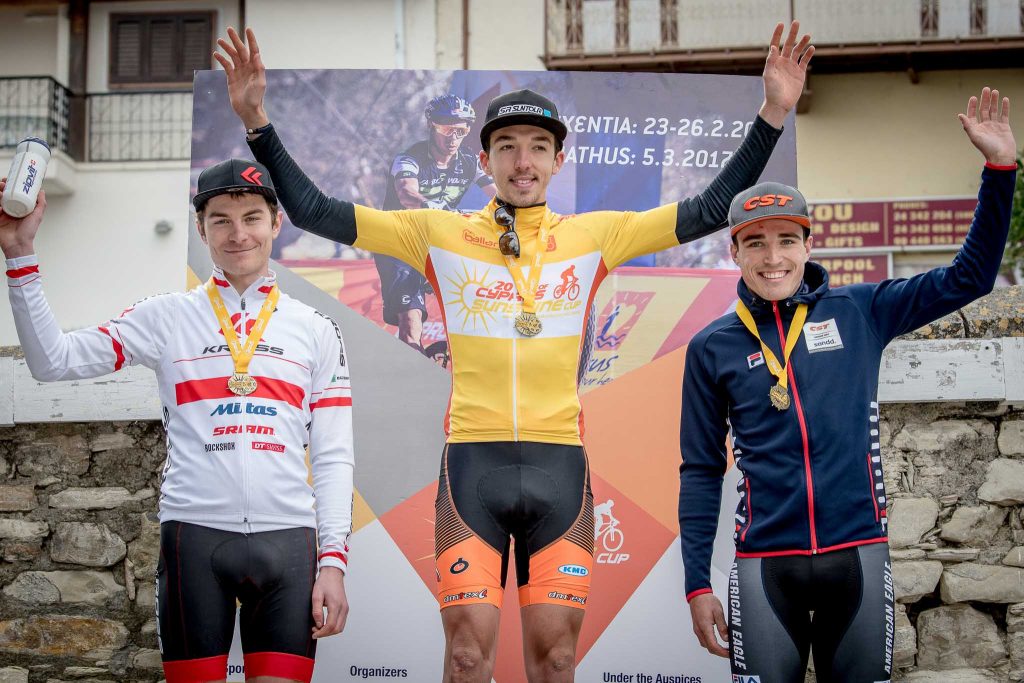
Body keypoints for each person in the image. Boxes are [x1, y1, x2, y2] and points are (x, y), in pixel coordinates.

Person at [214, 21, 812, 682]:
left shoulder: (598, 235)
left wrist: (773, 112)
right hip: (473, 464)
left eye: (537, 147)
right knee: (467, 655)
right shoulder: (436, 232)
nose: (522, 161)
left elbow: (710, 208)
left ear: (559, 160)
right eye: (506, 146)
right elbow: (314, 210)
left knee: (556, 660)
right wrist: (256, 120)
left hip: (561, 467)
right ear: (484, 161)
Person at [679, 88, 1016, 682]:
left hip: (858, 555)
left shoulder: (862, 310)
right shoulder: (712, 346)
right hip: (764, 565)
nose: (773, 257)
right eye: (755, 242)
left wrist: (999, 170)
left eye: (787, 240)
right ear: (734, 252)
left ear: (809, 244)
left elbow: (971, 278)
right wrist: (696, 584)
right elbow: (702, 469)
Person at [1, 158, 356, 683]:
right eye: (221, 220)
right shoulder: (164, 316)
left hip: (290, 544)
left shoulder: (317, 329)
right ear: (201, 229)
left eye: (252, 218)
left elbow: (333, 456)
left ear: (276, 223)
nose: (238, 234)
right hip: (194, 538)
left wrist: (333, 564)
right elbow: (53, 361)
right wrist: (20, 253)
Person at [375, 93, 496, 355]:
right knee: (411, 323)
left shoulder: (470, 162)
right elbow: (407, 193)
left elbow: (499, 194)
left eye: (461, 131)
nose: (453, 138)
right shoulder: (409, 159)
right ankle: (412, 369)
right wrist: (432, 206)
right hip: (399, 245)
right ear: (432, 126)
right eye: (446, 129)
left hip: (438, 245)